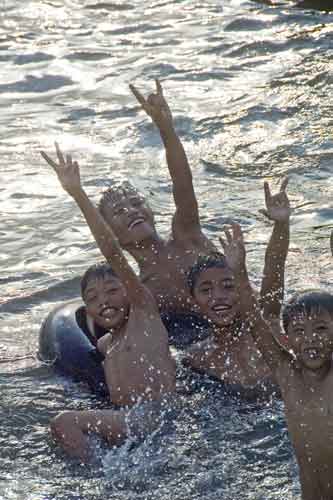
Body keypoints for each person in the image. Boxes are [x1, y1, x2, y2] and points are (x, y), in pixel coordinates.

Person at [41, 143, 176, 462]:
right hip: (134, 422)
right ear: (86, 309)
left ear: (131, 290)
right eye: (93, 298)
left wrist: (78, 194)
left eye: (112, 290)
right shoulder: (104, 343)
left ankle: (97, 479)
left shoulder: (145, 315)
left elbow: (112, 252)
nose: (104, 302)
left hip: (156, 417)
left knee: (63, 423)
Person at [96, 79, 216, 347]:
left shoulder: (187, 235)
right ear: (112, 233)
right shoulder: (141, 290)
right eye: (119, 211)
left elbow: (183, 182)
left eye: (137, 202)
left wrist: (165, 127)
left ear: (150, 210)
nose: (132, 211)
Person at [222, 223, 333, 500]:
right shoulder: (286, 374)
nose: (310, 339)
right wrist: (238, 271)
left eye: (321, 329)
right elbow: (254, 320)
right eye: (299, 331)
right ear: (286, 340)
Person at [183, 179, 291, 397]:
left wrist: (281, 225)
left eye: (228, 286)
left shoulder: (267, 325)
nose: (218, 297)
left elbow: (274, 267)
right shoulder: (195, 359)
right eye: (206, 290)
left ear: (244, 289)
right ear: (194, 301)